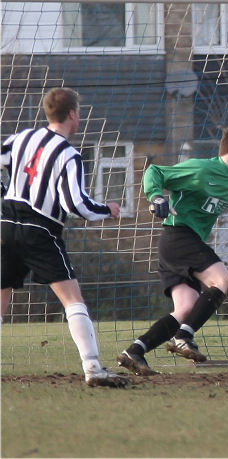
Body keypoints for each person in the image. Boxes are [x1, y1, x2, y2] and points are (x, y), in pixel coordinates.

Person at [1, 87, 128, 387]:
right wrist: (106, 210)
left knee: (1, 296)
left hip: (4, 224)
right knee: (72, 299)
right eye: (79, 112)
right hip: (40, 229)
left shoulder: (22, 138)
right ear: (72, 114)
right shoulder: (69, 154)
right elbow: (75, 204)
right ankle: (93, 367)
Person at [116, 126, 228, 376]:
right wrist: (156, 197)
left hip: (182, 243)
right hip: (178, 236)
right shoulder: (202, 169)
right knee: (224, 281)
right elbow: (155, 171)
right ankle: (184, 336)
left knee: (186, 308)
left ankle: (135, 351)